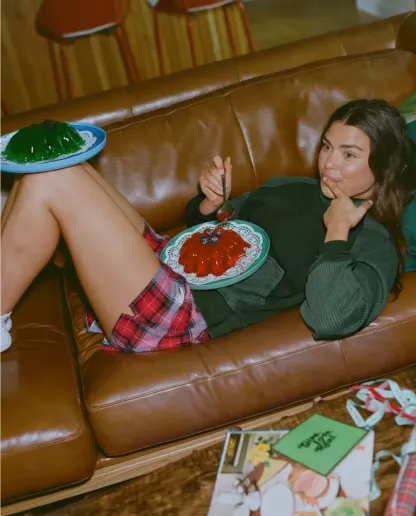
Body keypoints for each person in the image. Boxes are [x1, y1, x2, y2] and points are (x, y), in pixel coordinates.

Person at [1, 99, 415, 353]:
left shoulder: (372, 238)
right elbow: (223, 229)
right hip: (170, 262)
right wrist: (211, 204)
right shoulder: (291, 186)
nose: (329, 163)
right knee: (62, 166)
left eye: (348, 155)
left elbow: (330, 317)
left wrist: (337, 234)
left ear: (383, 167)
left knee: (53, 179)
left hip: (183, 311)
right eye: (326, 146)